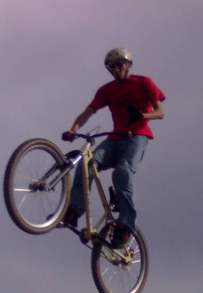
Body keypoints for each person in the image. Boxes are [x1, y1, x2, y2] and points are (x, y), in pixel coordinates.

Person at [61, 47, 165, 249]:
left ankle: (126, 226)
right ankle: (74, 210)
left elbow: (160, 112)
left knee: (123, 171)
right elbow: (88, 112)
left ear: (128, 64)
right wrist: (74, 129)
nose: (116, 69)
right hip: (115, 138)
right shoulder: (107, 90)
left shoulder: (143, 83)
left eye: (120, 65)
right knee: (86, 164)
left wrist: (143, 116)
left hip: (137, 137)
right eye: (112, 67)